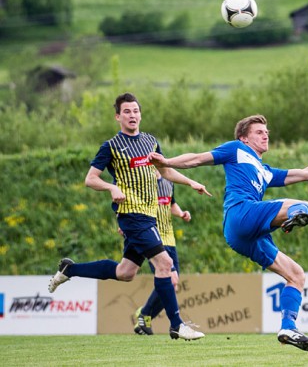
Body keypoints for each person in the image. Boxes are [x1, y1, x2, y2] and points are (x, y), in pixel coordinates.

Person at [147, 114, 308, 352]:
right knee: (306, 206)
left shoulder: (265, 171)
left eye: (267, 132)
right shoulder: (236, 150)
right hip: (241, 213)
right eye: (259, 132)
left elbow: (307, 173)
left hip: (245, 236)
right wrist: (167, 162)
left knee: (296, 275)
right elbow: (197, 159)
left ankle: (287, 327)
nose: (265, 135)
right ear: (244, 138)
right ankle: (292, 219)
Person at [48, 92, 211, 341]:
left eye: (135, 111)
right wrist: (111, 187)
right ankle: (177, 325)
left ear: (140, 114)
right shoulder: (111, 146)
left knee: (126, 272)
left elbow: (165, 171)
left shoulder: (150, 141)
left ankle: (70, 269)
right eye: (127, 111)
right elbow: (90, 179)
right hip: (131, 215)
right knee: (165, 265)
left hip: (149, 216)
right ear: (118, 116)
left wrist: (191, 182)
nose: (132, 115)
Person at [131, 171, 192, 336]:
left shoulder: (168, 181)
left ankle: (145, 314)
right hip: (153, 238)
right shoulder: (143, 183)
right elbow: (131, 205)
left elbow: (171, 204)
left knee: (172, 284)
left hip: (170, 239)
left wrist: (181, 213)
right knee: (171, 280)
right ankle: (148, 316)